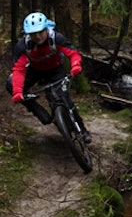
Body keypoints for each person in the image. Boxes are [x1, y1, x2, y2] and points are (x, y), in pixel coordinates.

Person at [7, 11, 91, 143]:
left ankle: (81, 129)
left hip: (55, 70)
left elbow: (73, 53)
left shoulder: (56, 38)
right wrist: (17, 91)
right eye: (33, 33)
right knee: (11, 83)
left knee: (63, 99)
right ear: (28, 34)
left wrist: (75, 66)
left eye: (40, 32)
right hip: (35, 70)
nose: (38, 36)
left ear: (46, 29)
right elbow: (19, 69)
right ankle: (37, 110)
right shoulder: (23, 46)